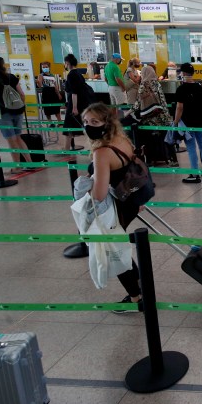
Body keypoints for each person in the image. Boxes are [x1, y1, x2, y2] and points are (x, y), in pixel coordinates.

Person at [78, 103, 144, 313]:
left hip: (115, 209)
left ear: (107, 122)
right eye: (86, 122)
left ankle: (136, 298)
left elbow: (99, 194)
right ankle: (140, 284)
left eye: (94, 122)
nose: (89, 126)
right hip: (130, 201)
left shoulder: (102, 152)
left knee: (114, 252)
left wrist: (86, 188)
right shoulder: (122, 139)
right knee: (120, 247)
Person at [132, 65, 177, 166]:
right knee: (167, 137)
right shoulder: (157, 83)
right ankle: (173, 160)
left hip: (152, 117)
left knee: (148, 138)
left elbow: (138, 103)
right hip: (164, 115)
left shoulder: (144, 85)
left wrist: (129, 112)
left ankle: (150, 160)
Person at [173, 63, 202, 183]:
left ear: (183, 74)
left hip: (187, 123)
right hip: (200, 121)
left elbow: (179, 108)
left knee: (191, 147)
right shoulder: (200, 87)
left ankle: (194, 174)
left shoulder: (181, 89)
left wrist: (176, 121)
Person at [62, 54, 88, 153]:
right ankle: (66, 149)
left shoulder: (71, 75)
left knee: (68, 127)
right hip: (81, 103)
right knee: (73, 127)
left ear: (68, 63)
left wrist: (74, 107)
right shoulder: (78, 73)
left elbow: (74, 93)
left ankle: (66, 150)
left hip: (75, 104)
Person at [35, 60, 63, 127]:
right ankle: (50, 123)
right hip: (46, 92)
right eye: (43, 67)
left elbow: (55, 85)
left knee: (56, 108)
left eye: (46, 67)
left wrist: (58, 94)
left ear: (49, 67)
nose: (45, 68)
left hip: (53, 92)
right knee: (47, 109)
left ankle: (60, 121)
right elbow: (40, 85)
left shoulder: (52, 75)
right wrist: (38, 81)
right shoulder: (40, 75)